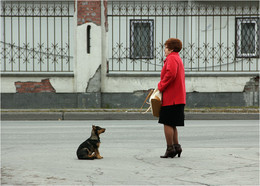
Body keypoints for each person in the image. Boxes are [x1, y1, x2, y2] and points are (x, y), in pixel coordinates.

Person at [158, 38, 186, 158]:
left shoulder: (171, 58)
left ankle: (170, 148)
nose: (164, 50)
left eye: (166, 47)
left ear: (171, 48)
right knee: (173, 123)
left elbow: (170, 74)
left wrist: (161, 86)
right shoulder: (177, 58)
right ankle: (176, 147)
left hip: (172, 98)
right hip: (178, 97)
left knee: (167, 122)